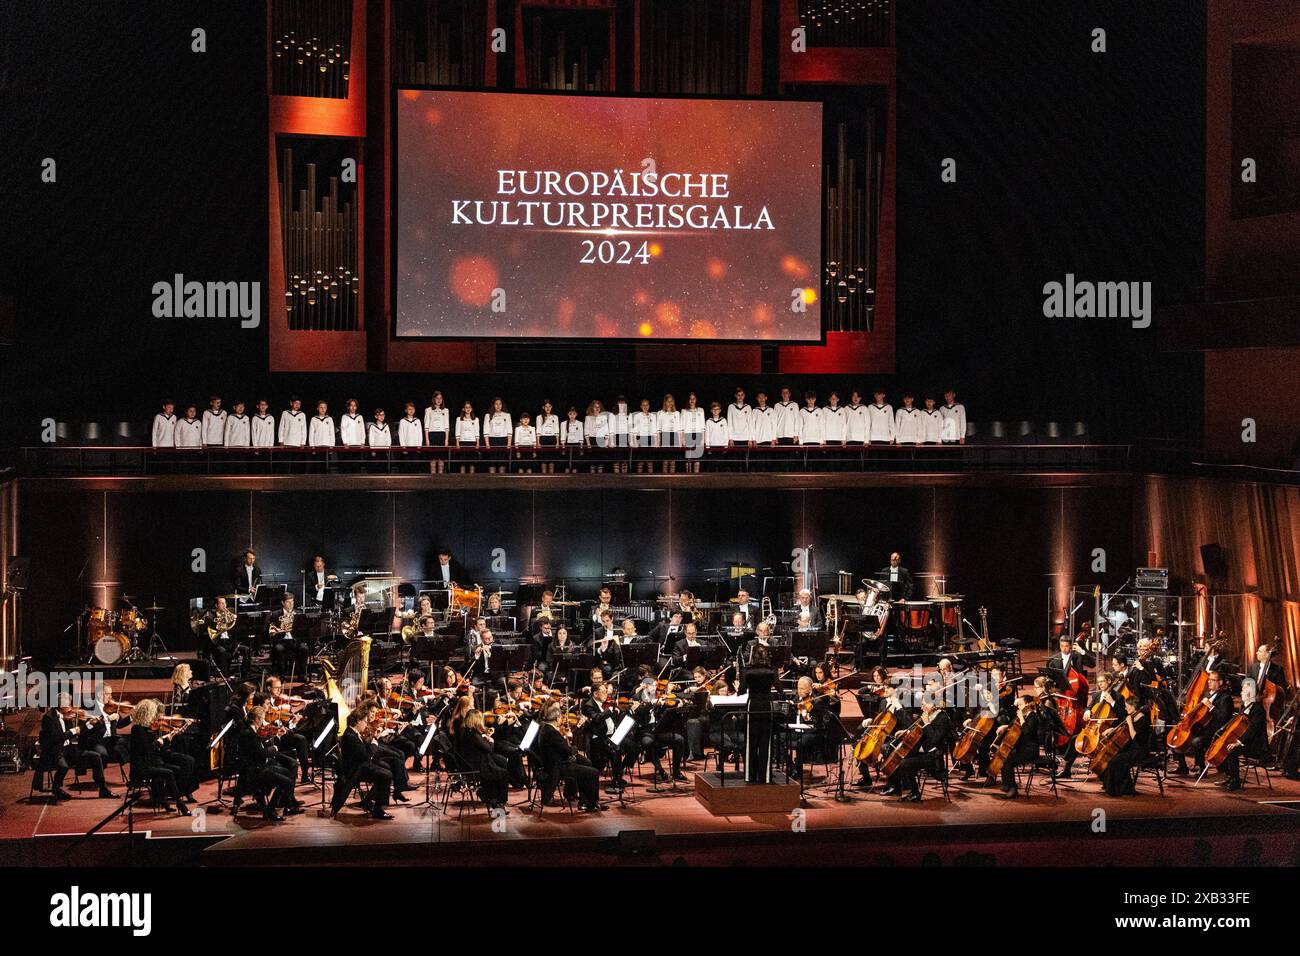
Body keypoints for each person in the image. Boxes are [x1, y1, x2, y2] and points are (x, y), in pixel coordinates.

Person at [38, 696, 114, 801]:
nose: (70, 707)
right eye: (68, 704)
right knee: (63, 767)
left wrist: (89, 724)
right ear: (61, 705)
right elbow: (56, 738)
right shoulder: (49, 718)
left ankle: (103, 789)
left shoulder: (66, 716)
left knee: (96, 756)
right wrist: (72, 731)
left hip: (69, 751)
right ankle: (56, 789)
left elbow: (79, 732)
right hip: (56, 752)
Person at [128, 699, 192, 815]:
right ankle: (179, 803)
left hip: (151, 763)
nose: (155, 716)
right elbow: (146, 749)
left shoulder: (148, 729)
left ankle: (163, 798)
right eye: (153, 713)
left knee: (177, 769)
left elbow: (156, 750)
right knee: (168, 773)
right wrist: (158, 742)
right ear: (146, 713)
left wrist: (167, 739)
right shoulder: (137, 729)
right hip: (141, 767)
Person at [239, 706, 303, 821]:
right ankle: (270, 810)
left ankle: (285, 805)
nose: (263, 722)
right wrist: (274, 749)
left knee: (289, 774)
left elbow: (261, 748)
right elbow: (262, 753)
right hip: (257, 771)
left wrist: (276, 738)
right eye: (262, 719)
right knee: (287, 782)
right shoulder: (248, 734)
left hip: (262, 766)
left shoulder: (251, 731)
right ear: (256, 719)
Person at [882, 697, 951, 801]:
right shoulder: (927, 716)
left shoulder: (942, 718)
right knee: (897, 756)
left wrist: (927, 723)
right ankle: (899, 788)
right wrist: (907, 732)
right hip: (922, 752)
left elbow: (934, 741)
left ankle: (914, 793)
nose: (921, 707)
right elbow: (919, 732)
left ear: (933, 705)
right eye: (922, 705)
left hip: (933, 756)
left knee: (905, 763)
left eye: (924, 705)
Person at [536, 703, 602, 811]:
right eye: (561, 717)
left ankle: (586, 801)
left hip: (556, 763)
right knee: (593, 772)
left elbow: (562, 748)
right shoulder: (551, 732)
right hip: (559, 767)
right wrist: (572, 742)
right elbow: (568, 751)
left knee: (586, 765)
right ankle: (591, 803)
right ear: (557, 719)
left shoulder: (545, 728)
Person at [1172, 669, 1234, 776]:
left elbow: (1223, 718)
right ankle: (1182, 767)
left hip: (1214, 730)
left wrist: (1211, 706)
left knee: (1197, 742)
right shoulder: (1206, 694)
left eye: (1212, 680)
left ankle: (1201, 767)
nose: (1209, 682)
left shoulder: (1225, 698)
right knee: (1176, 737)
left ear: (1220, 682)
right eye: (1209, 680)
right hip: (1201, 727)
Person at [334, 709, 393, 820]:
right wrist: (374, 744)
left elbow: (363, 748)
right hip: (355, 770)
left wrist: (374, 738)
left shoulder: (353, 733)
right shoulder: (350, 736)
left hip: (361, 766)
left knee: (387, 771)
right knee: (386, 775)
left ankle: (369, 802)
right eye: (364, 722)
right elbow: (366, 755)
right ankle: (377, 809)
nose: (366, 724)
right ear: (357, 721)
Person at [1221, 680, 1270, 791]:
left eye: (1243, 690)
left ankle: (1236, 781)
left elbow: (1252, 731)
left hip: (1255, 745)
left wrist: (1238, 742)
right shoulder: (1244, 706)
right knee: (1223, 747)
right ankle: (1230, 775)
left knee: (1231, 751)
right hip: (1245, 741)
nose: (1241, 692)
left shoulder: (1258, 710)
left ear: (1250, 693)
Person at [456, 710, 510, 810]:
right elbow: (488, 749)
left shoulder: (468, 730)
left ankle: (491, 795)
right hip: (477, 764)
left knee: (501, 762)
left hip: (473, 760)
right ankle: (499, 801)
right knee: (504, 774)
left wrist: (485, 737)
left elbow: (481, 746)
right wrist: (491, 741)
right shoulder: (473, 734)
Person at [1102, 694, 1152, 797]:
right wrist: (1112, 729)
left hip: (1140, 751)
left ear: (1133, 706)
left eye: (1126, 706)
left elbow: (1135, 738)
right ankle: (1117, 787)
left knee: (1116, 761)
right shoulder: (1132, 717)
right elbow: (1122, 727)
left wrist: (1130, 723)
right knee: (1111, 758)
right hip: (1131, 749)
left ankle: (1122, 790)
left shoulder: (1143, 719)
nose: (1125, 708)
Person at [743, 644, 776, 783]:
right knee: (765, 743)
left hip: (753, 706)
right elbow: (779, 689)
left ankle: (750, 776)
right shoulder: (772, 670)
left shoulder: (747, 670)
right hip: (767, 705)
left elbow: (741, 690)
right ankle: (765, 777)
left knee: (751, 742)